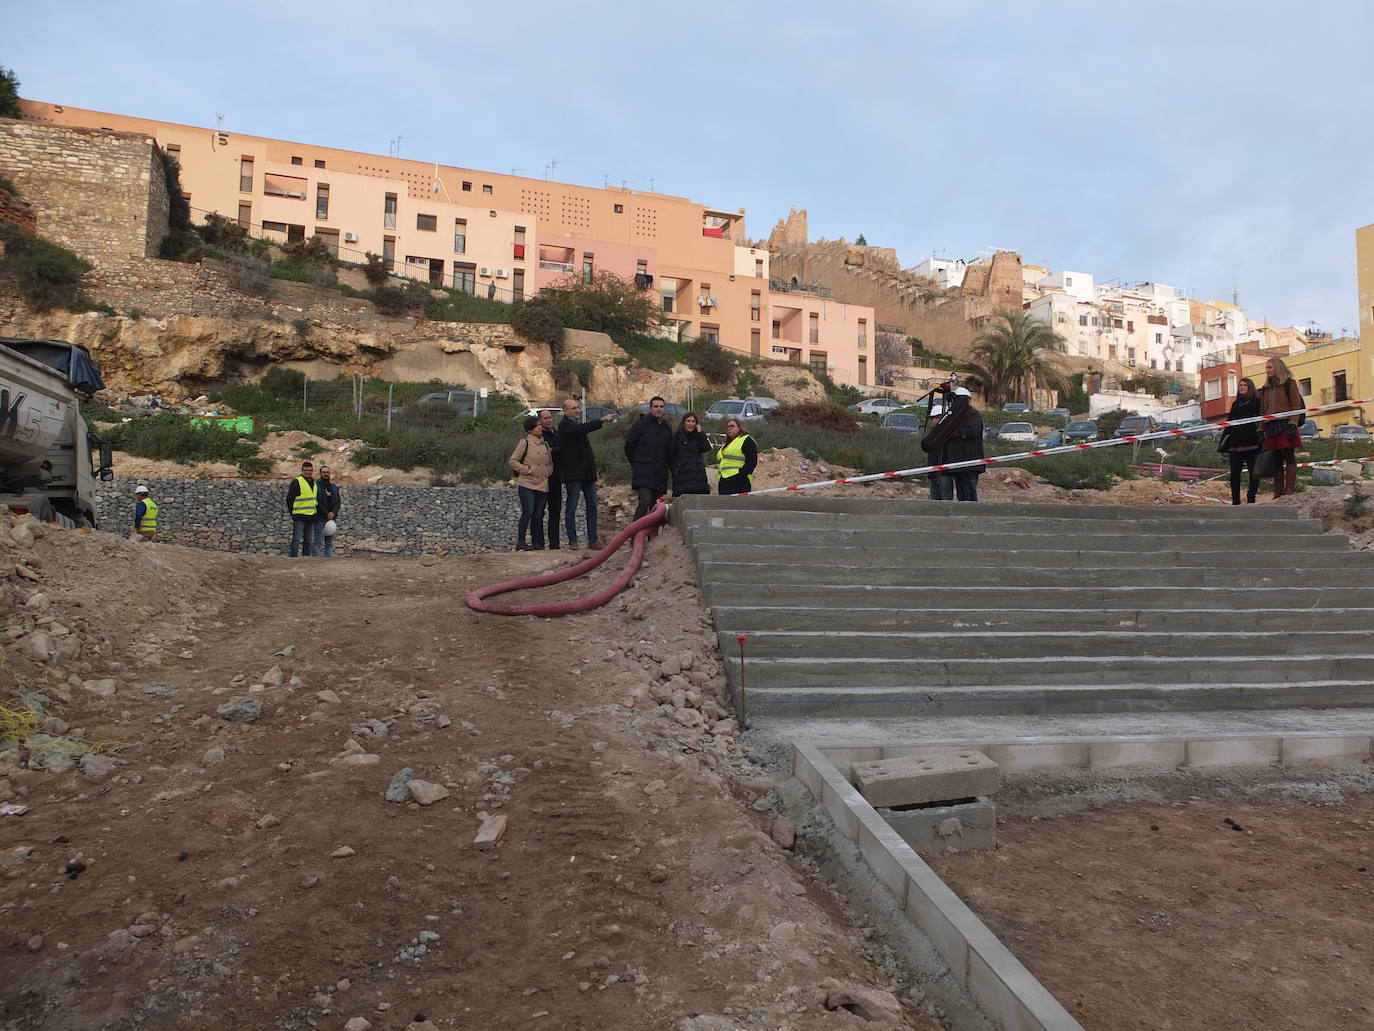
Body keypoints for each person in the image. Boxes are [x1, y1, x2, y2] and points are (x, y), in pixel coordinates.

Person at [555, 398, 615, 548]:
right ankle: (572, 539)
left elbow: (586, 452)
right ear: (566, 411)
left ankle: (592, 540)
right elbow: (580, 430)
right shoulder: (565, 426)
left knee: (592, 506)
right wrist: (601, 420)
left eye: (578, 408)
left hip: (586, 473)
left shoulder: (576, 425)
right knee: (572, 506)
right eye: (574, 408)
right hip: (573, 474)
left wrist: (593, 473)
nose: (577, 410)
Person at [1259, 356, 1304, 499]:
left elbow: (1296, 406)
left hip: (1285, 424)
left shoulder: (1289, 384)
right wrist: (1261, 429)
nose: (1267, 370)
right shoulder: (1265, 389)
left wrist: (1292, 424)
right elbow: (1262, 411)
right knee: (1276, 459)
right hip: (1270, 426)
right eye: (1266, 367)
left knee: (1288, 457)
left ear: (1278, 368)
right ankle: (1278, 491)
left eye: (1269, 367)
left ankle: (1289, 489)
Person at [624, 396, 673, 518]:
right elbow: (629, 446)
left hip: (660, 475)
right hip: (643, 472)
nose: (659, 409)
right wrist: (637, 463)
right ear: (650, 408)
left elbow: (670, 452)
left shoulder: (667, 429)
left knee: (655, 507)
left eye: (661, 407)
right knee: (644, 501)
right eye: (656, 406)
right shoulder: (641, 424)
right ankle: (635, 535)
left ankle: (653, 537)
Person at [509, 415, 552, 550]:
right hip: (527, 483)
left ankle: (537, 543)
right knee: (528, 511)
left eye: (540, 425)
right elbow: (513, 461)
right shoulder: (525, 443)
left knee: (538, 515)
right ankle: (521, 541)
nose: (540, 427)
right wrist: (527, 470)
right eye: (536, 425)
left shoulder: (545, 443)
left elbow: (549, 462)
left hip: (542, 484)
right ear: (529, 429)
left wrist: (548, 472)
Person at [1218, 377, 1261, 505]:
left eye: (1245, 385)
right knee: (1235, 474)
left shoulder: (1256, 402)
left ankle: (1251, 497)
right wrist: (1224, 442)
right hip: (1235, 445)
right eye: (1240, 385)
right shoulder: (1235, 404)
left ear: (1250, 388)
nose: (1241, 387)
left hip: (1252, 444)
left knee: (1254, 474)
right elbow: (1229, 423)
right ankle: (1235, 500)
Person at [669, 411, 712, 496]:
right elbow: (671, 456)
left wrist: (700, 433)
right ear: (684, 422)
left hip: (699, 478)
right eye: (688, 421)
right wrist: (675, 470)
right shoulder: (677, 436)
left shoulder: (698, 436)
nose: (691, 423)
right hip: (682, 478)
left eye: (693, 421)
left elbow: (706, 447)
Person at [920, 402, 955, 501]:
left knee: (945, 500)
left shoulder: (948, 433)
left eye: (932, 418)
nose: (930, 421)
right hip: (933, 472)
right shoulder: (931, 434)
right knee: (934, 501)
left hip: (945, 473)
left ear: (940, 418)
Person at [539, 409, 563, 549]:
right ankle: (539, 544)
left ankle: (555, 544)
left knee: (555, 512)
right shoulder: (538, 436)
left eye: (550, 417)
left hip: (556, 478)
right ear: (540, 421)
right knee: (539, 512)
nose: (549, 420)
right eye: (546, 418)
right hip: (542, 479)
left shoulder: (556, 433)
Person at [286, 460, 319, 557]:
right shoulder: (297, 482)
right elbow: (289, 499)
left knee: (308, 541)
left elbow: (314, 500)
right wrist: (293, 513)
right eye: (306, 470)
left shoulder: (314, 483)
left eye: (310, 470)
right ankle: (293, 557)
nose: (308, 472)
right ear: (302, 470)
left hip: (311, 516)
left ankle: (306, 559)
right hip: (300, 516)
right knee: (297, 539)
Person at [716, 417, 758, 495]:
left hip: (739, 481)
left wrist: (740, 475)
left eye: (732, 426)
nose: (729, 428)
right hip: (724, 480)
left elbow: (752, 462)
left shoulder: (746, 440)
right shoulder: (727, 444)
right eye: (728, 427)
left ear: (739, 427)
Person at [311, 465, 341, 557]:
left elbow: (338, 501)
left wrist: (333, 513)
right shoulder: (316, 486)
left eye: (327, 472)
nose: (326, 474)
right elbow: (316, 501)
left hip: (331, 518)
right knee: (317, 541)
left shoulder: (333, 487)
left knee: (329, 542)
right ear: (320, 473)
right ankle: (316, 560)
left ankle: (328, 561)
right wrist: (326, 513)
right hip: (320, 518)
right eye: (324, 472)